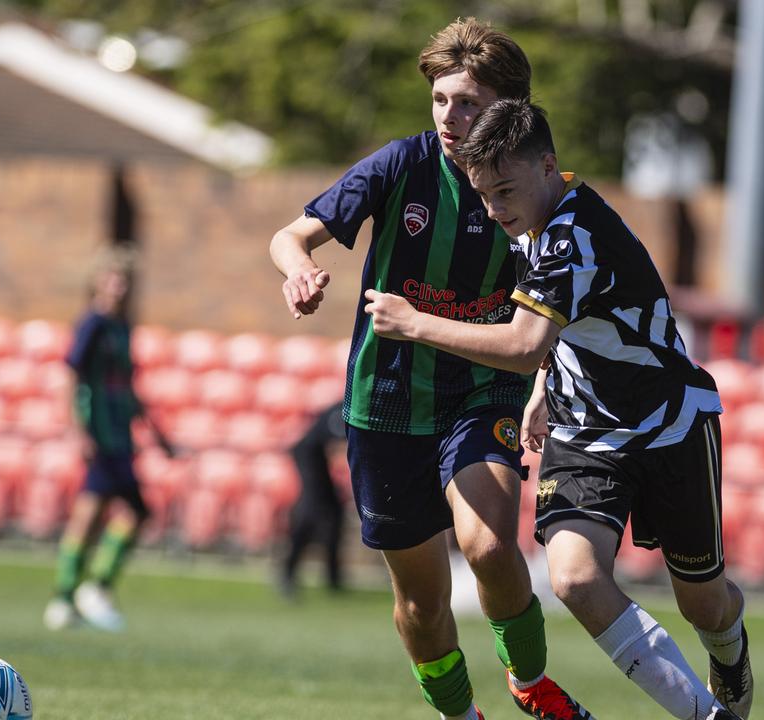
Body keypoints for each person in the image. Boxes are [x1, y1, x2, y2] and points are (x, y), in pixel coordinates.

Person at [363, 98, 752, 720]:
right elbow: (561, 333)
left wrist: (414, 322)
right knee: (573, 577)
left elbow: (522, 343)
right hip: (584, 429)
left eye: (505, 190)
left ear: (549, 166)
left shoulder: (573, 235)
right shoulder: (531, 218)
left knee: (703, 602)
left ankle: (729, 645)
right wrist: (548, 382)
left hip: (667, 422)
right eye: (484, 194)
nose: (494, 210)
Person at [269, 18, 591, 720]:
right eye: (442, 99)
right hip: (385, 401)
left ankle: (531, 684)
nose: (450, 115)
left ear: (509, 109)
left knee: (485, 541)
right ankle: (460, 714)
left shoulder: (537, 190)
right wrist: (300, 270)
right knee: (418, 601)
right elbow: (290, 235)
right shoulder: (399, 167)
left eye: (468, 102)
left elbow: (557, 304)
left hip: (484, 389)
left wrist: (541, 385)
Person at [43, 253, 173, 632]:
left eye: (125, 280)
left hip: (120, 438)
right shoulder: (93, 325)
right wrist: (77, 429)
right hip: (100, 435)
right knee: (93, 515)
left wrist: (155, 432)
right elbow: (70, 375)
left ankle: (75, 595)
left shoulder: (122, 328)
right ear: (98, 282)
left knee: (122, 513)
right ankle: (77, 592)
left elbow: (129, 387)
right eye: (113, 279)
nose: (120, 286)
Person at [278, 402, 348, 599]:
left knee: (334, 516)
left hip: (319, 460)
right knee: (309, 514)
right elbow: (340, 441)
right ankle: (287, 574)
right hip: (308, 456)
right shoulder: (343, 408)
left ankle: (334, 579)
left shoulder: (344, 405)